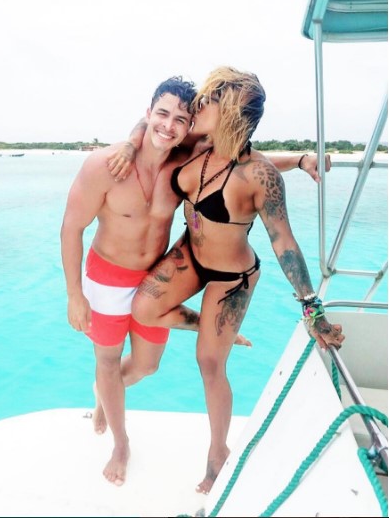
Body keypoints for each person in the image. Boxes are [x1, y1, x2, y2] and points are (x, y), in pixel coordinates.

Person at [60, 75, 331, 488]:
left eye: (201, 107)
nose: (184, 116)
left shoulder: (220, 163)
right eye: (167, 113)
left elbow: (255, 185)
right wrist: (74, 294)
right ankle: (123, 431)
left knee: (178, 364)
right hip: (149, 266)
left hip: (197, 272)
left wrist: (311, 305)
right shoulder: (147, 155)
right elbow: (74, 224)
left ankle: (204, 443)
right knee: (126, 335)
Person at [128, 66, 345, 495]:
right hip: (191, 253)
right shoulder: (198, 142)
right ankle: (207, 327)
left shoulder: (260, 176)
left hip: (232, 277)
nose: (199, 105)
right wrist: (127, 144)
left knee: (209, 363)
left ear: (229, 114)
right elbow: (150, 123)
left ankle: (217, 452)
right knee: (143, 307)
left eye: (210, 100)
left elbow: (283, 241)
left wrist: (311, 306)